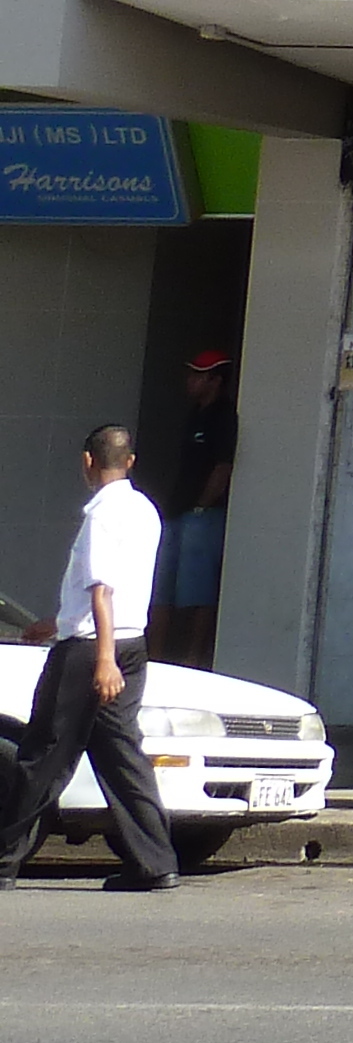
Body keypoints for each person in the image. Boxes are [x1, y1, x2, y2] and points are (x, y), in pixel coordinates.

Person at [0, 424, 180, 892]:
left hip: (91, 652)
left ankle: (3, 860)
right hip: (131, 643)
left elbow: (102, 591)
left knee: (41, 755)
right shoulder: (144, 510)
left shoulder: (101, 515)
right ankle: (156, 862)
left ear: (87, 462)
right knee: (121, 756)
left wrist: (102, 660)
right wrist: (56, 622)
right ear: (131, 462)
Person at [154, 351, 236, 670]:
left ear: (215, 380)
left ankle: (192, 656)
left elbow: (223, 464)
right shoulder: (193, 414)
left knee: (197, 587)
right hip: (177, 511)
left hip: (203, 515)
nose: (191, 380)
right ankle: (157, 656)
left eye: (199, 375)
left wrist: (203, 504)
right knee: (163, 585)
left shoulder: (223, 415)